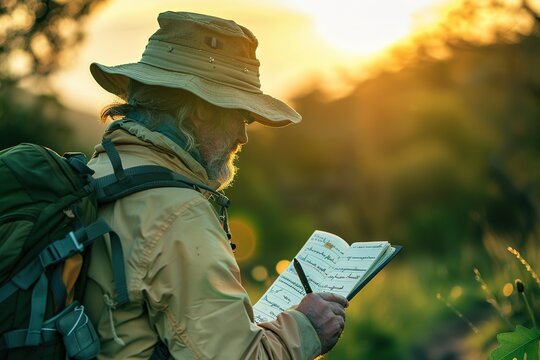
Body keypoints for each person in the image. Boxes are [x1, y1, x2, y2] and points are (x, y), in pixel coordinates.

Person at [82, 11, 348, 359]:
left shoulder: (98, 172)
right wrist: (306, 328)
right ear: (201, 110)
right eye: (240, 116)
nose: (242, 136)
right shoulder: (179, 214)